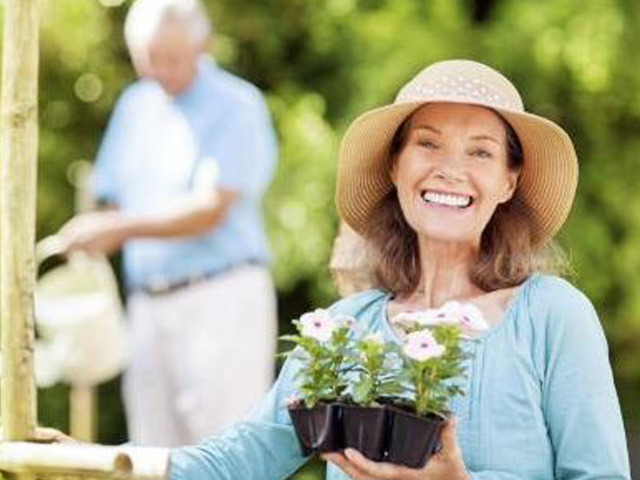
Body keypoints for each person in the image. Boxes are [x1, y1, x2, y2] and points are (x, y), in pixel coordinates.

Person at [167, 60, 631, 480]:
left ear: (509, 181)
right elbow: (246, 455)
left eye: (480, 152)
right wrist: (131, 464)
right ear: (395, 164)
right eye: (428, 143)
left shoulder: (552, 316)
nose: (450, 170)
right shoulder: (345, 329)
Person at [58, 0, 278, 447]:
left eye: (171, 59)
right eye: (147, 59)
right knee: (153, 453)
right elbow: (111, 200)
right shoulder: (134, 106)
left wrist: (119, 228)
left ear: (204, 46)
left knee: (227, 453)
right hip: (148, 307)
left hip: (220, 298)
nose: (159, 70)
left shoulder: (237, 104)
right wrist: (90, 235)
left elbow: (210, 208)